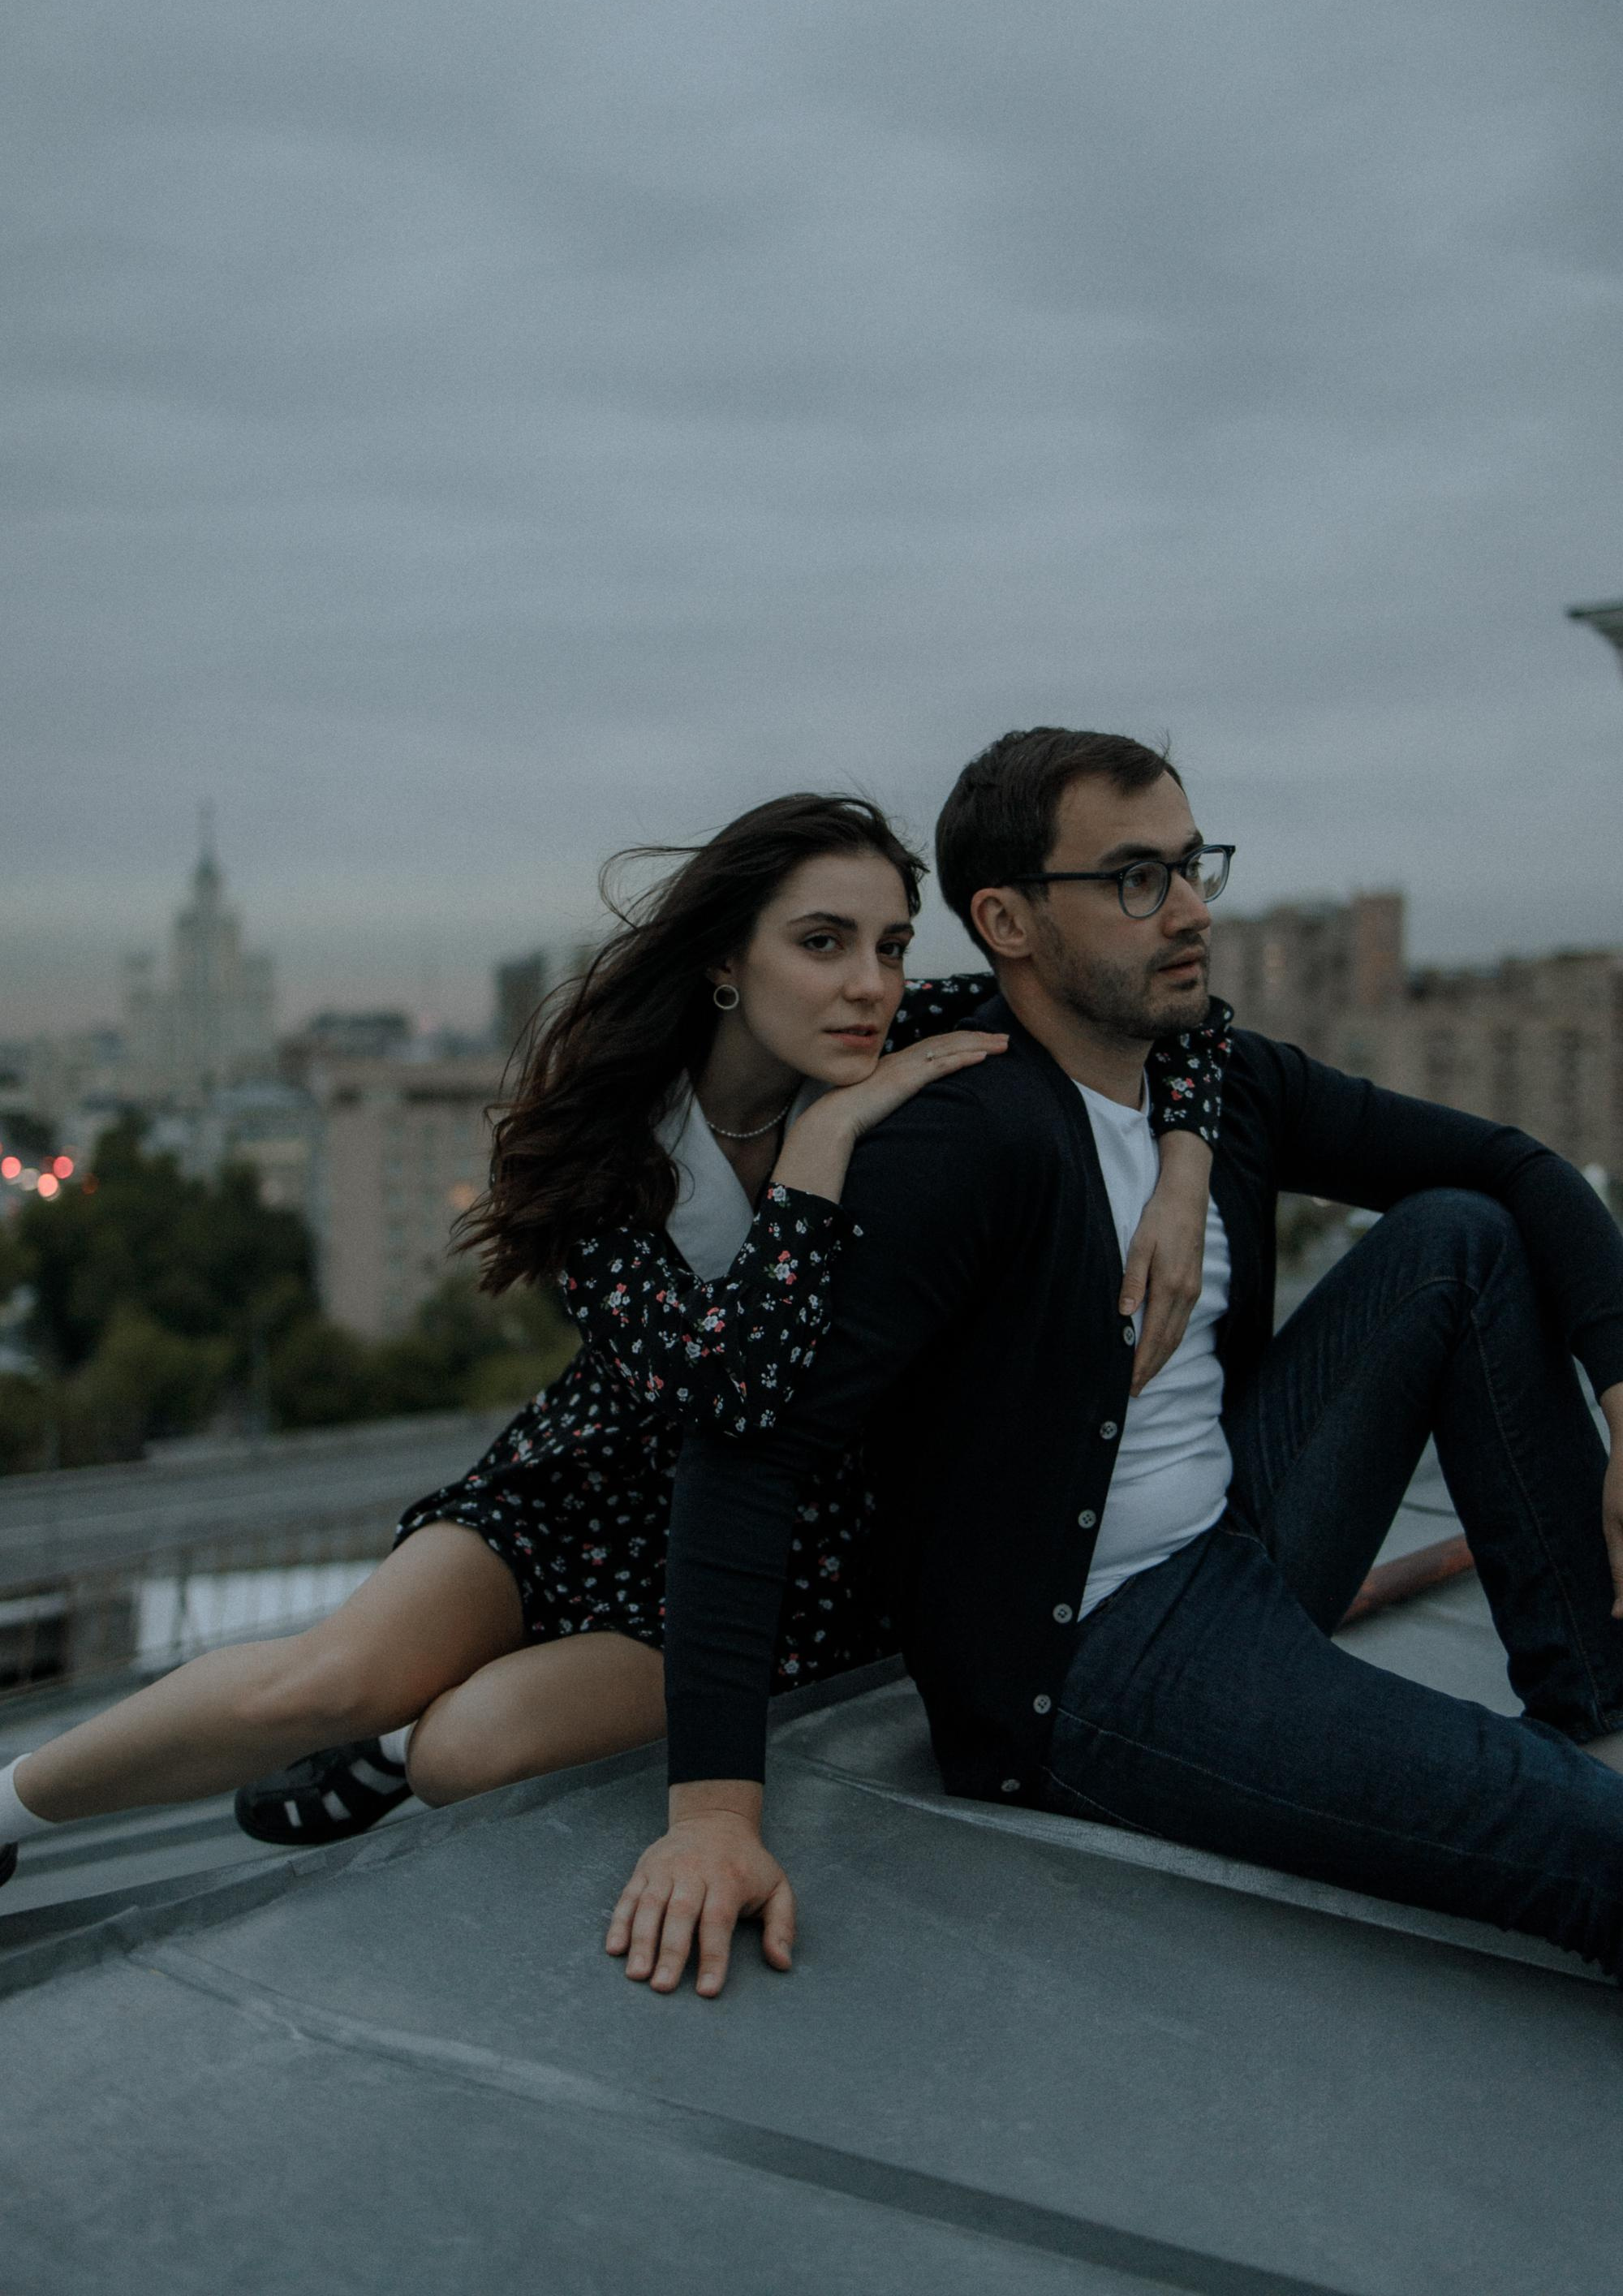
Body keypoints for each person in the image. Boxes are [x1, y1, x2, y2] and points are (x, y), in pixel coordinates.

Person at [0, 790, 1229, 1889]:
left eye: (893, 945)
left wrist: (1181, 1176)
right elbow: (725, 1383)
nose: (871, 983)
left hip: (781, 1552)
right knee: (323, 1679)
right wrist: (818, 1151)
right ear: (725, 962)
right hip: (583, 1480)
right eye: (823, 943)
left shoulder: (919, 1035)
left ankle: (392, 1744)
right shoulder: (611, 1144)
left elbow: (1189, 1027)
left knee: (458, 1755)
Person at [610, 727, 1623, 1999]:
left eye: (1193, 866)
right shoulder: (960, 1140)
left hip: (1244, 1532)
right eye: (1138, 878)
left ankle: (1599, 1701)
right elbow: (746, 1453)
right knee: (1586, 1845)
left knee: (1460, 1239)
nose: (1191, 909)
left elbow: (1519, 1167)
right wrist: (713, 1814)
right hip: (1097, 1658)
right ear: (1008, 921)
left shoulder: (1217, 1084)